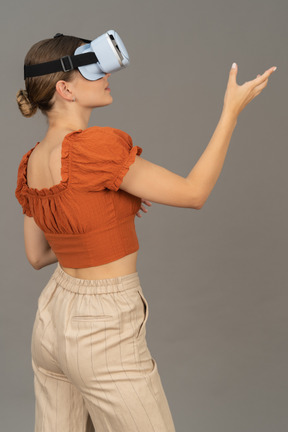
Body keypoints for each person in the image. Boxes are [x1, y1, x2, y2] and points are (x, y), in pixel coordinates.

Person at [15, 33, 276, 432]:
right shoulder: (93, 149)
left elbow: (36, 256)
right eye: (92, 69)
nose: (104, 75)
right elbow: (194, 193)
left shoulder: (31, 161)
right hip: (102, 327)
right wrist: (230, 113)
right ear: (65, 88)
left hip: (52, 320)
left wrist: (103, 221)